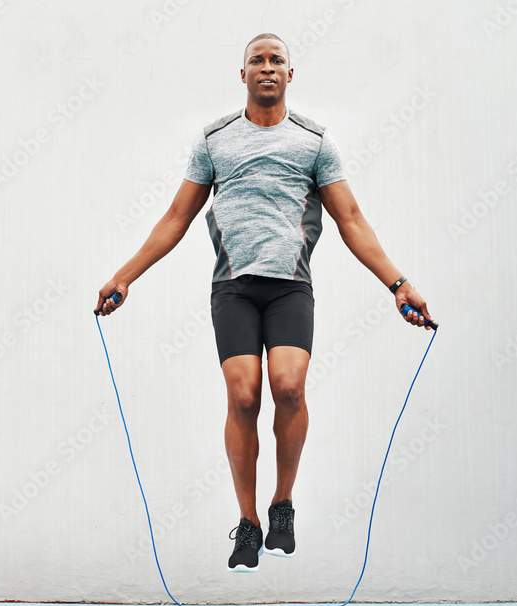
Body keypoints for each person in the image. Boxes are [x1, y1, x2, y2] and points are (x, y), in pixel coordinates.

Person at [95, 33, 435, 572]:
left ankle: (283, 505)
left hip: (289, 287)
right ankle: (248, 522)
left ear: (291, 74)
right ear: (244, 73)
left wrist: (399, 284)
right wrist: (124, 276)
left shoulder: (315, 142)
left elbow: (352, 221)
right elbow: (176, 218)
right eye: (258, 60)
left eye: (278, 60)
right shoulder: (214, 141)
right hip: (232, 288)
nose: (268, 67)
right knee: (244, 394)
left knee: (289, 386)